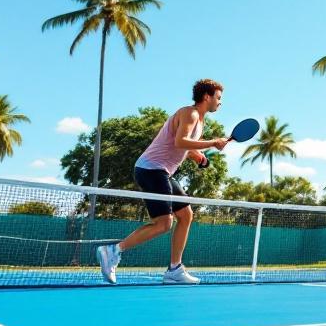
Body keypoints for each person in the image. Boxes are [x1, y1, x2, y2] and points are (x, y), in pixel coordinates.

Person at [96, 79, 228, 284]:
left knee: (185, 215)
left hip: (163, 172)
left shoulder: (199, 121)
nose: (220, 102)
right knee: (164, 223)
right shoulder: (190, 113)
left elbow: (184, 146)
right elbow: (180, 141)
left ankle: (174, 269)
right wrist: (213, 142)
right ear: (207, 97)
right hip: (151, 169)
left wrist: (198, 157)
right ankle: (113, 251)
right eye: (218, 98)